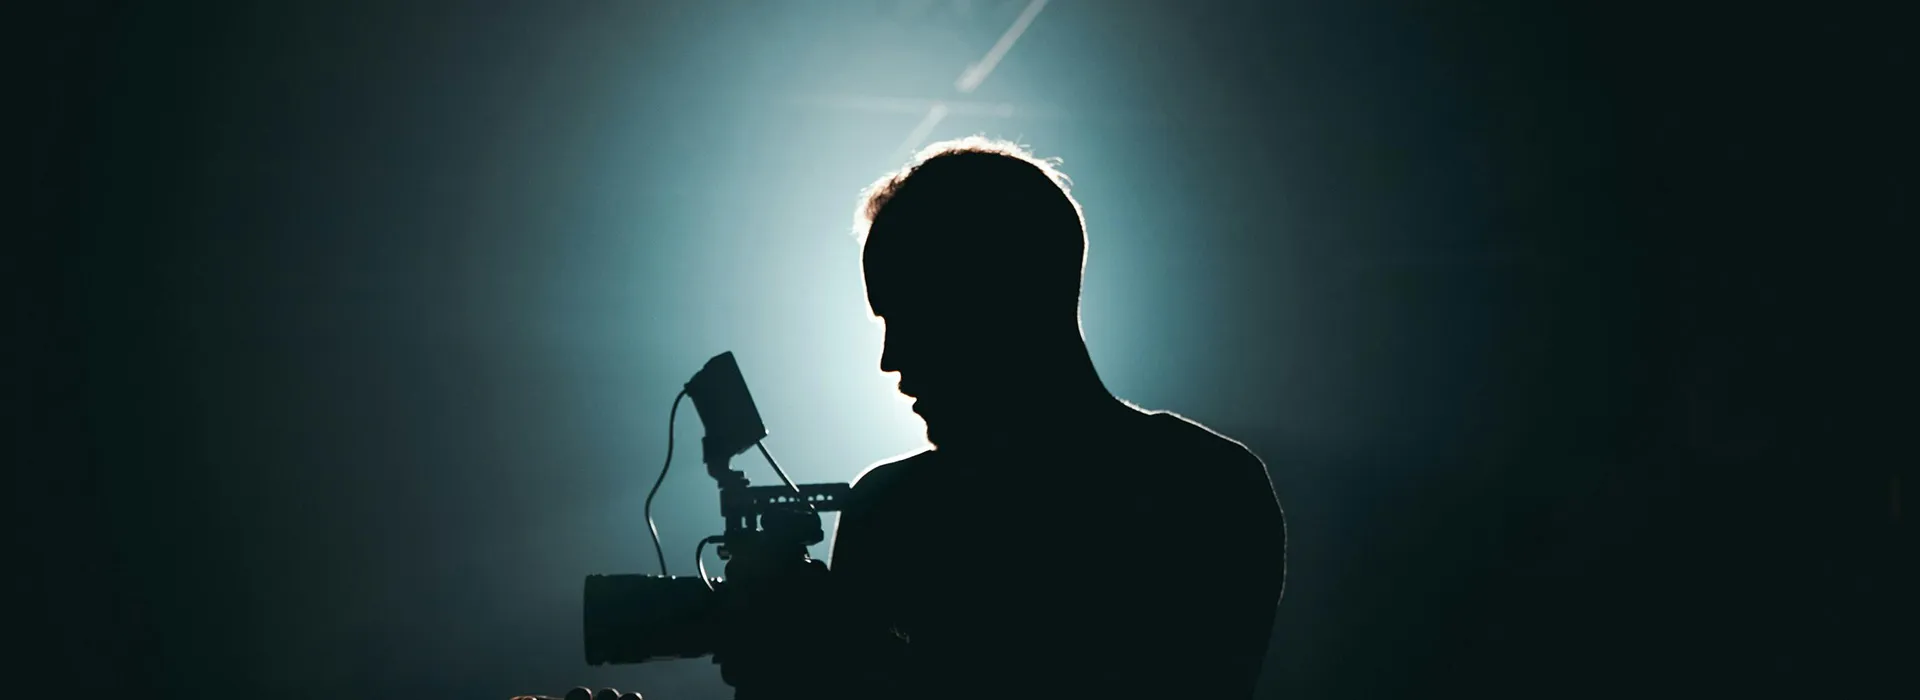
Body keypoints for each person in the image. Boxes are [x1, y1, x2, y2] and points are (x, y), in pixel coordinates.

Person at [572, 137, 1287, 700]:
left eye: (911, 316)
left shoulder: (1204, 492)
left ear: (1009, 296)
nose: (890, 359)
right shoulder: (889, 505)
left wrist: (853, 661)